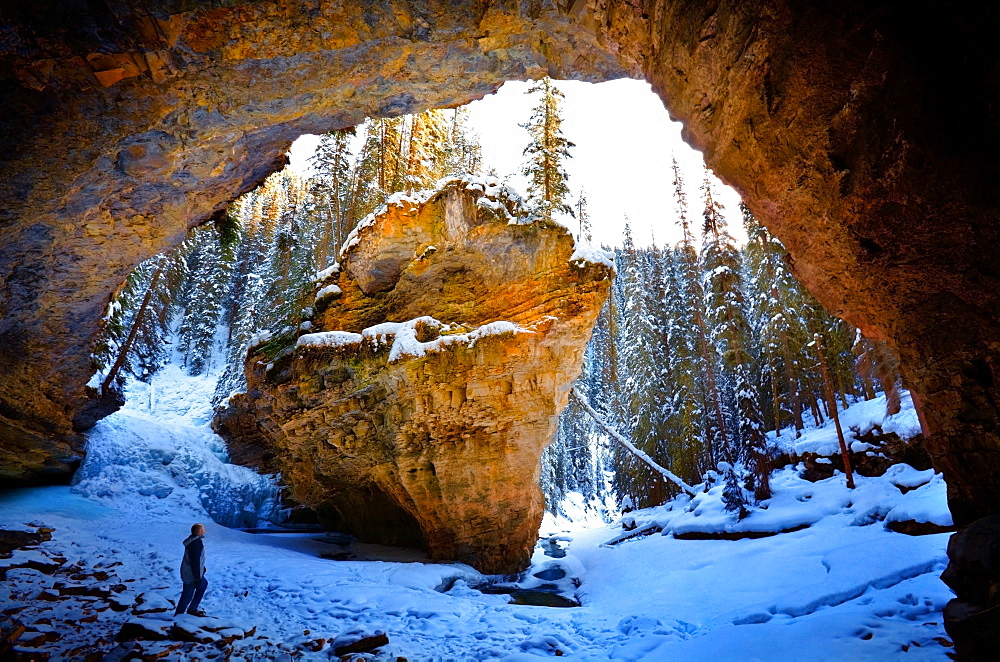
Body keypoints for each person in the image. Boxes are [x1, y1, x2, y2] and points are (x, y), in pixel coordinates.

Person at [175, 523, 208, 616]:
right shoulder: (195, 544)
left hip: (192, 572)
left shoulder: (194, 541)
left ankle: (191, 609)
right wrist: (197, 578)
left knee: (203, 585)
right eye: (203, 529)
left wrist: (202, 568)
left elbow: (195, 560)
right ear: (199, 531)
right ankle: (179, 615)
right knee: (187, 594)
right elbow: (195, 561)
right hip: (191, 574)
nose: (204, 530)